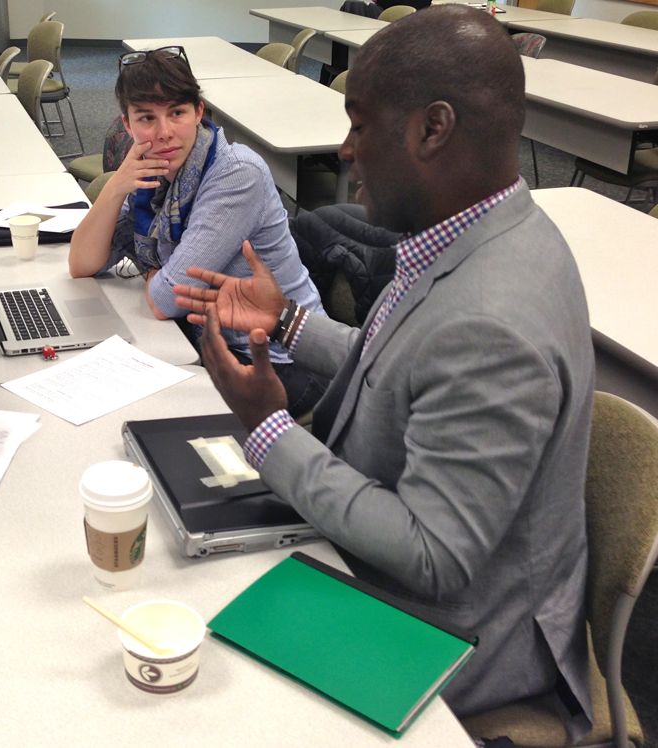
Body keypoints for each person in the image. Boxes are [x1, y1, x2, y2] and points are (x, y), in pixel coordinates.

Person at [174, 6, 594, 734]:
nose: (344, 151)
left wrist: (268, 429)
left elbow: (434, 554)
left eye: (360, 126)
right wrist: (289, 322)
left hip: (460, 634)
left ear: (432, 129)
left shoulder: (491, 323)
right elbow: (407, 369)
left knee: (198, 671)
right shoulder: (481, 231)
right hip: (406, 568)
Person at [68, 46, 328, 417]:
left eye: (177, 113)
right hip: (211, 341)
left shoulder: (235, 174)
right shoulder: (153, 174)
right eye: (146, 118)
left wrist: (157, 276)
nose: (164, 133)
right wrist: (116, 186)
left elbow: (166, 300)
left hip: (280, 362)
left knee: (142, 415)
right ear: (127, 124)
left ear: (199, 112)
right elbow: (82, 263)